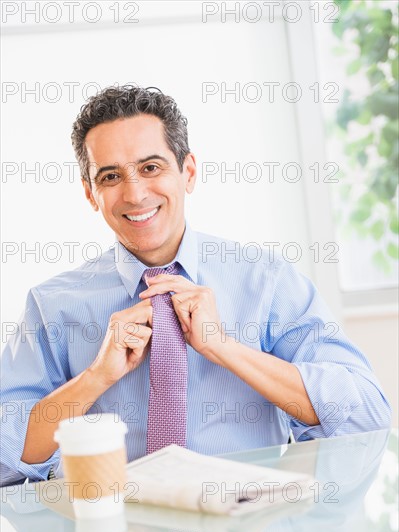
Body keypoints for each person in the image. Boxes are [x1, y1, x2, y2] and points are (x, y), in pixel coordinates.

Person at [0, 85, 391, 485]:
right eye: (111, 176)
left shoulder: (266, 281)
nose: (135, 194)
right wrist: (96, 377)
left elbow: (365, 415)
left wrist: (224, 348)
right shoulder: (52, 305)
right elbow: (4, 459)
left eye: (151, 167)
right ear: (90, 192)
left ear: (188, 172)